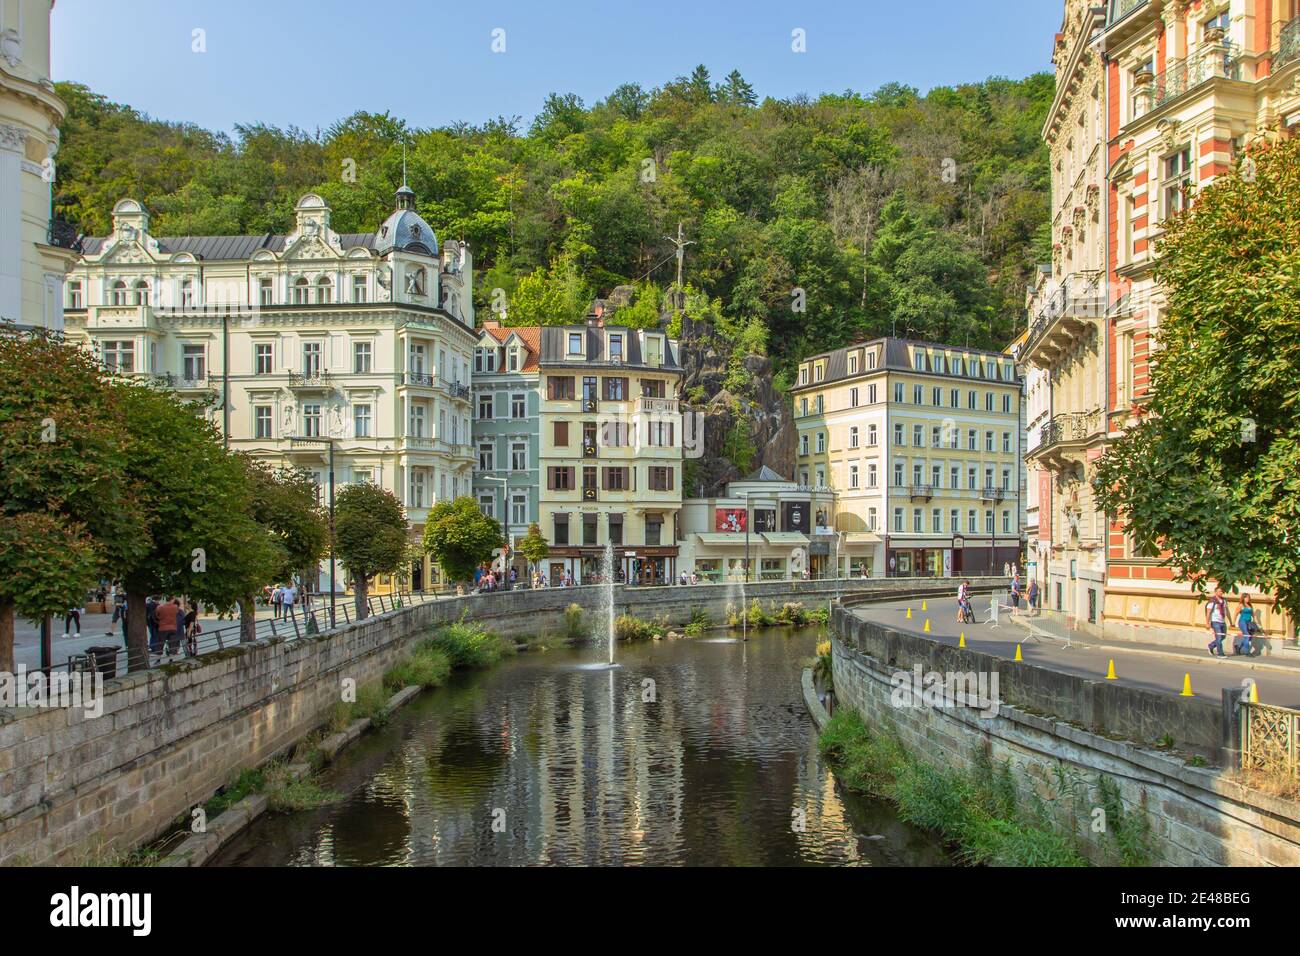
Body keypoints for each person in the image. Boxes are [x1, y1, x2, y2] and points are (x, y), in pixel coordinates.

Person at [155, 596, 182, 662]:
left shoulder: (160, 607)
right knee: (172, 643)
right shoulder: (175, 607)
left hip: (163, 628)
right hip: (173, 628)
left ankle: (158, 659)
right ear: (172, 600)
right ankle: (171, 659)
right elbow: (177, 613)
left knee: (160, 643)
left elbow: (157, 615)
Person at [1206, 586, 1230, 657]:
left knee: (1223, 637)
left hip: (1222, 621)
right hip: (1215, 621)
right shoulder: (1212, 601)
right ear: (1215, 592)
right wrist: (1207, 623)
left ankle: (1211, 646)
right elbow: (1208, 613)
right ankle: (1220, 653)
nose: (1221, 592)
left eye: (1222, 591)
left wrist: (1231, 621)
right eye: (1219, 591)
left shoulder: (1224, 601)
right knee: (1219, 637)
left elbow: (1227, 611)